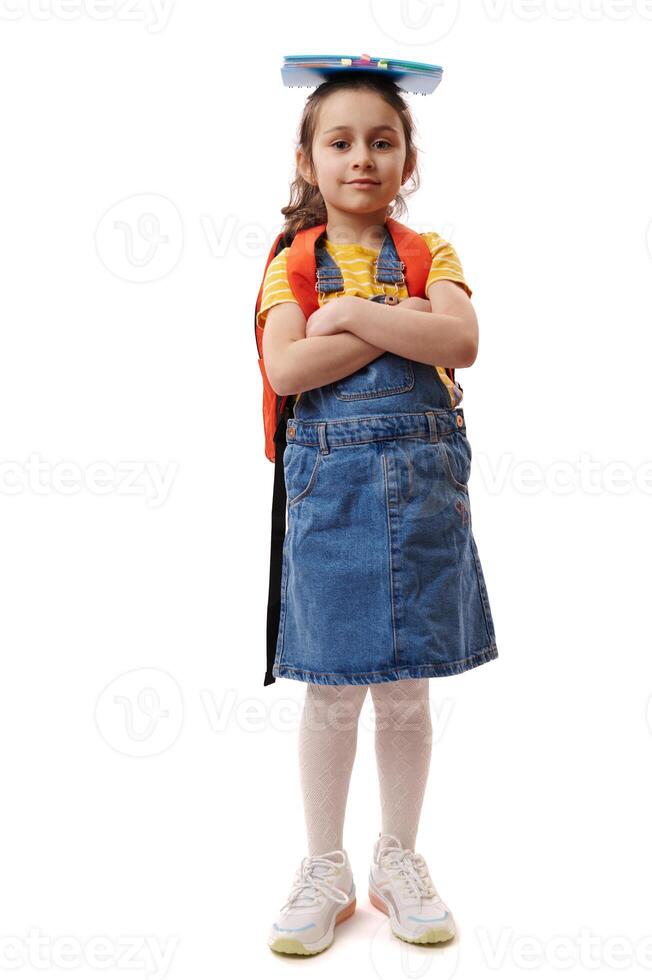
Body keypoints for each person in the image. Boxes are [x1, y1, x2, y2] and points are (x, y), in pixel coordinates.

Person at [259, 70, 499, 955]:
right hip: (333, 498)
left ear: (408, 158)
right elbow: (287, 372)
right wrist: (402, 324)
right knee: (331, 691)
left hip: (424, 493)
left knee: (404, 690)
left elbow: (462, 340)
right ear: (308, 160)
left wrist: (352, 314)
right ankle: (325, 863)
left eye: (383, 141)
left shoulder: (433, 250)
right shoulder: (289, 265)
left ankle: (399, 856)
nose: (363, 156)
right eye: (341, 141)